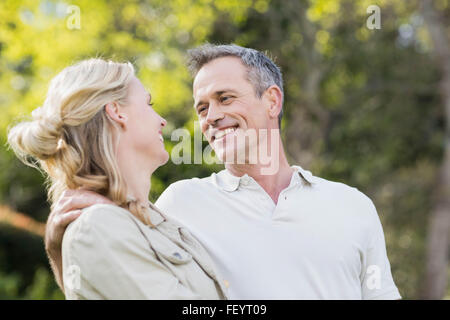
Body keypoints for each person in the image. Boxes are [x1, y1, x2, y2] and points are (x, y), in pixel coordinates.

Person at [45, 44, 401, 299]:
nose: (211, 116)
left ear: (272, 100)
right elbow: (118, 276)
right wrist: (63, 258)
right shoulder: (178, 204)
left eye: (225, 98)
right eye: (201, 107)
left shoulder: (352, 206)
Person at [7, 58, 228, 300]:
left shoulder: (147, 219)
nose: (162, 120)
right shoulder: (97, 226)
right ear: (116, 112)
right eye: (148, 103)